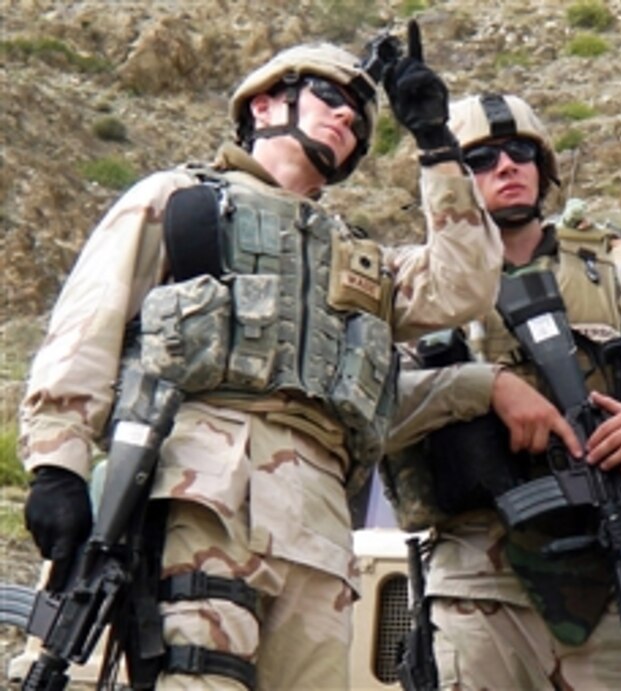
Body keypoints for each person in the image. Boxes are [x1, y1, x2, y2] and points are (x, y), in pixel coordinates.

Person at [19, 34, 502, 689]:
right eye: (330, 98)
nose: (347, 121)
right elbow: (88, 327)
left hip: (320, 523)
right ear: (267, 103)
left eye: (360, 121)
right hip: (205, 490)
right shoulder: (183, 201)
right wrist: (57, 464)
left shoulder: (359, 259)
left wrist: (438, 145)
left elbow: (465, 282)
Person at [381, 93, 621, 689]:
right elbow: (369, 412)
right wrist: (482, 387)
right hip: (481, 588)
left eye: (520, 152)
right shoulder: (414, 298)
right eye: (479, 159)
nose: (506, 167)